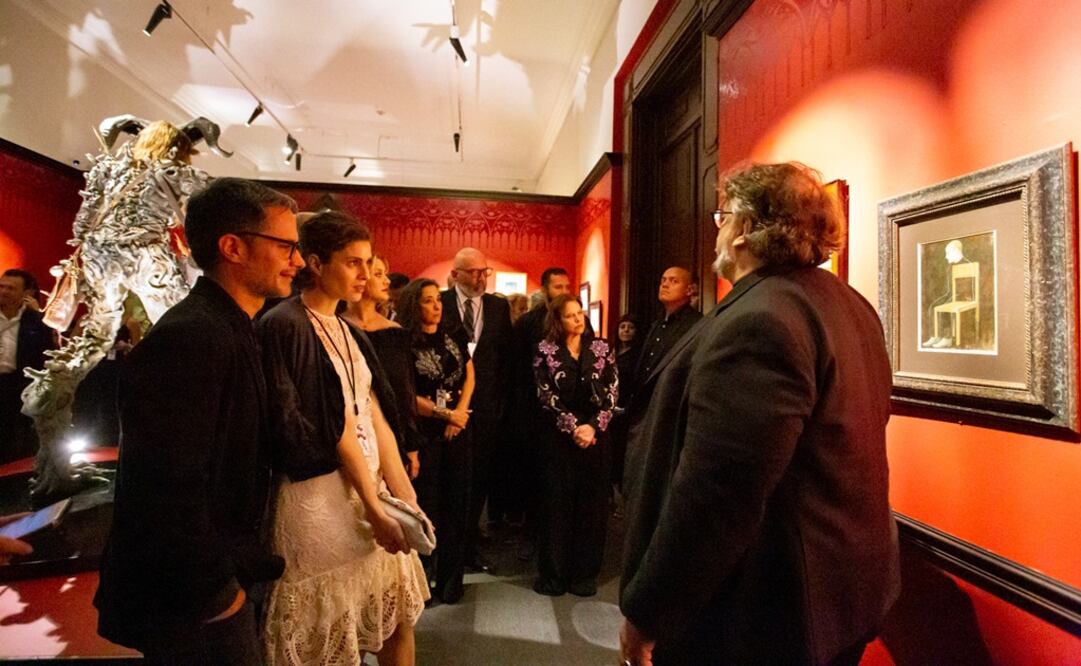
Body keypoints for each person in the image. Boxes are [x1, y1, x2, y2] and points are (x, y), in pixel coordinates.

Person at [620, 162, 901, 665]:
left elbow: (718, 493)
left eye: (721, 217)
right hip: (841, 594)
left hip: (766, 615)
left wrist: (648, 612)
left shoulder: (762, 319)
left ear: (747, 229)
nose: (717, 231)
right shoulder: (852, 305)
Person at [94, 177, 301, 664]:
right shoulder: (192, 336)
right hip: (191, 598)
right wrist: (218, 592)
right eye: (286, 246)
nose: (297, 260)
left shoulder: (232, 325)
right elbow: (166, 486)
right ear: (233, 247)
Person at [259, 212, 428, 666]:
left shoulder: (348, 328)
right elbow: (325, 423)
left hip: (364, 487)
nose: (366, 274)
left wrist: (403, 495)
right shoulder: (286, 324)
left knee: (396, 621)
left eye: (368, 262)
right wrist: (374, 507)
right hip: (319, 499)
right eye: (353, 263)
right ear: (315, 262)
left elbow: (373, 415)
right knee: (326, 638)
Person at [532, 294, 617, 597]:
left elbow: (611, 392)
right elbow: (546, 395)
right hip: (559, 438)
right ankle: (554, 575)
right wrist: (574, 427)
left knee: (592, 508)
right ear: (558, 320)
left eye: (580, 313)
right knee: (557, 505)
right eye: (570, 315)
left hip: (596, 438)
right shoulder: (545, 350)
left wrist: (592, 426)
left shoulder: (602, 348)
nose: (578, 319)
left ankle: (585, 575)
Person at [398, 278, 476, 604]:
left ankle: (450, 582)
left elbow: (470, 375)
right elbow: (405, 394)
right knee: (426, 508)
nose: (436, 306)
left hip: (458, 430)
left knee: (458, 506)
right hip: (424, 434)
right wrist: (445, 416)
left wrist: (458, 414)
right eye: (428, 301)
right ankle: (421, 583)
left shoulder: (455, 334)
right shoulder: (403, 341)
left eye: (437, 300)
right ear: (414, 305)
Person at [441, 248, 513, 572]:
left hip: (487, 412)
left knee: (480, 478)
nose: (480, 278)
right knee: (450, 480)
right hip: (448, 409)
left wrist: (501, 407)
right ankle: (446, 548)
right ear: (455, 275)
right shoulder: (439, 303)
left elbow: (505, 358)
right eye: (473, 272)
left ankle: (470, 545)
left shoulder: (498, 307)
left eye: (485, 271)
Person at [341, 254, 423, 478]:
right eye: (378, 274)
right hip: (346, 434)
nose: (387, 281)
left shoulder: (396, 332)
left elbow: (405, 392)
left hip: (390, 434)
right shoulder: (336, 326)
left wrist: (411, 446)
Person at [0, 269, 54, 464]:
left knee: (18, 443)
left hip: (20, 387)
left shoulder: (37, 321)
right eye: (1, 286)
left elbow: (46, 355)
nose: (4, 291)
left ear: (26, 293)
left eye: (11, 288)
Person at [634, 266, 701, 387]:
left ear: (689, 290)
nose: (665, 285)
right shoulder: (656, 323)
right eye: (663, 280)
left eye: (674, 281)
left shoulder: (696, 324)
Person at [610, 313, 642, 495]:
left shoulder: (638, 355)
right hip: (609, 407)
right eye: (623, 327)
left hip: (625, 408)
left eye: (630, 327)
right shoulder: (611, 349)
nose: (626, 331)